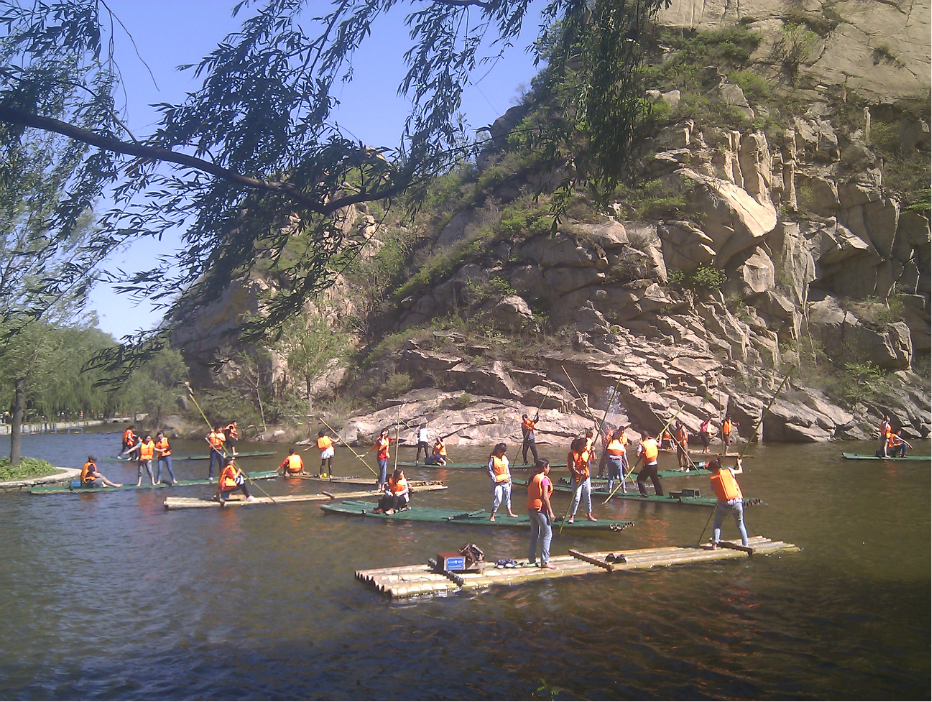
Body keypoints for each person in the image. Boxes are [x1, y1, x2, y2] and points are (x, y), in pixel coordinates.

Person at [708, 457, 748, 549]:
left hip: (724, 505)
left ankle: (714, 545)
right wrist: (739, 463)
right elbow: (740, 471)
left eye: (711, 470)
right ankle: (746, 544)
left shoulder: (713, 480)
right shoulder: (730, 471)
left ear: (714, 469)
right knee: (740, 524)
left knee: (717, 524)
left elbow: (715, 491)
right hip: (737, 503)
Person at [526, 459, 556, 569]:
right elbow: (544, 497)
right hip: (540, 509)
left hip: (530, 507)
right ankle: (545, 561)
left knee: (534, 534)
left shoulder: (532, 478)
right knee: (548, 534)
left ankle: (531, 559)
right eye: (548, 467)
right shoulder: (544, 480)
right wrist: (551, 513)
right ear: (544, 468)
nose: (549, 469)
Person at [487, 442, 516, 521]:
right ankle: (492, 515)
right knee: (498, 498)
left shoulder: (504, 458)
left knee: (507, 497)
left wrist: (510, 480)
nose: (504, 453)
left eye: (504, 452)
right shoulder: (492, 459)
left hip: (506, 481)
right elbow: (489, 470)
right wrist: (494, 479)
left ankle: (509, 513)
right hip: (497, 482)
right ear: (498, 450)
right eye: (502, 451)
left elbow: (507, 470)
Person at [636, 430, 663, 497]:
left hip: (648, 465)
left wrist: (641, 453)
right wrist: (660, 437)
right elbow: (659, 445)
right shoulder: (653, 441)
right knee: (655, 478)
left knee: (640, 479)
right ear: (648, 436)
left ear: (642, 437)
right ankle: (660, 492)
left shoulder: (641, 444)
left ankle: (644, 494)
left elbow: (637, 455)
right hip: (655, 463)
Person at [604, 429, 628, 494]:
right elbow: (624, 455)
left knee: (610, 475)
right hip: (618, 460)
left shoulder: (609, 443)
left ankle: (609, 489)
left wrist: (605, 460)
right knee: (620, 475)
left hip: (610, 460)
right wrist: (627, 463)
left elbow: (605, 453)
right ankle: (624, 489)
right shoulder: (620, 444)